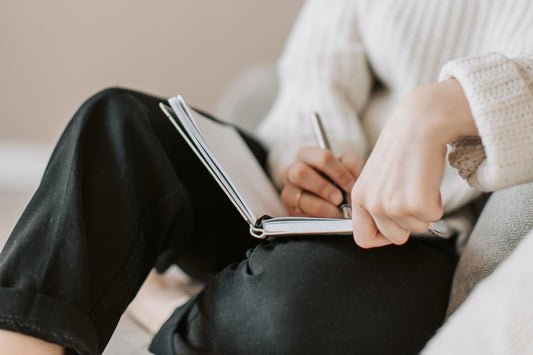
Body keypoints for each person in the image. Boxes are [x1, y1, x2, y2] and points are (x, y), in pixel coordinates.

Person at [1, 0, 532, 354]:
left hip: (413, 235)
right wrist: (308, 161)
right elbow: (314, 71)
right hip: (314, 195)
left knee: (284, 313)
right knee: (118, 123)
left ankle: (169, 306)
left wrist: (439, 109)